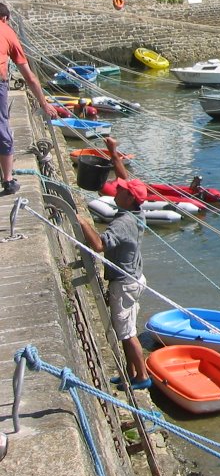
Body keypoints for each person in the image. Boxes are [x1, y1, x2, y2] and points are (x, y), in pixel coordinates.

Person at [76, 136, 151, 391]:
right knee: (123, 328)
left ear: (129, 199)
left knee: (128, 333)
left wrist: (82, 222)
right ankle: (130, 371)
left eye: (119, 191)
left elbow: (99, 245)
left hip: (124, 282)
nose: (114, 190)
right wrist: (113, 151)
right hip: (134, 278)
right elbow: (125, 178)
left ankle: (141, 377)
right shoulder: (137, 210)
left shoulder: (123, 223)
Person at [0, 3, 58, 195]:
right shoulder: (8, 32)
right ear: (5, 18)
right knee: (3, 131)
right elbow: (29, 77)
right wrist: (44, 103)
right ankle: (8, 180)